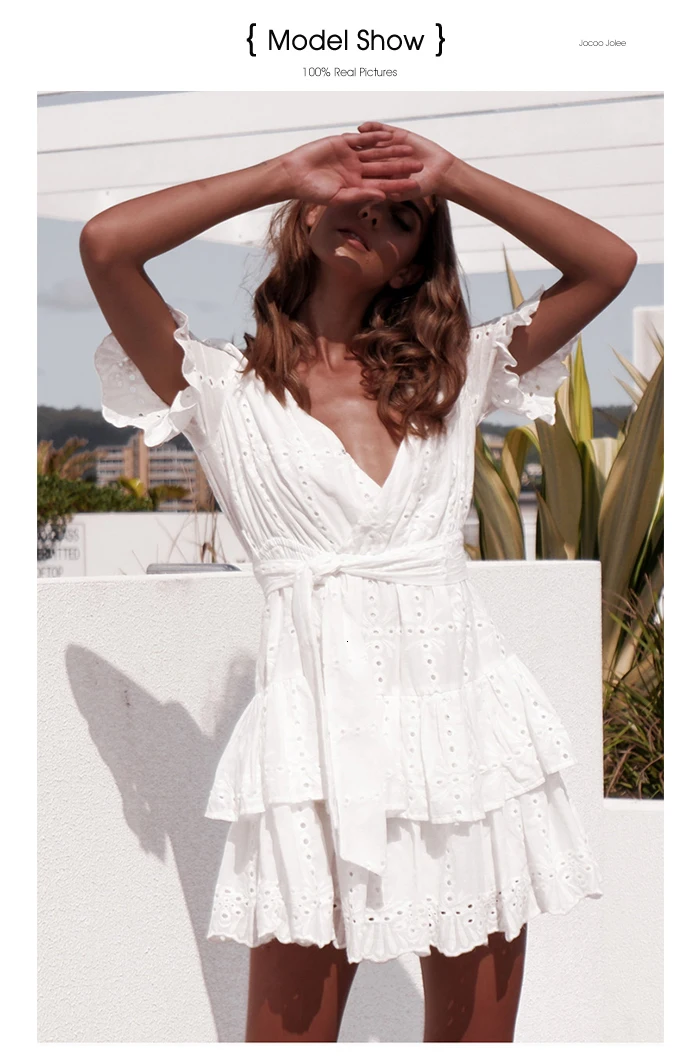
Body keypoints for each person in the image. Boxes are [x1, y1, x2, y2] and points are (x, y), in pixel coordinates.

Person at [81, 120, 636, 1043]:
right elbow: (106, 245)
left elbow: (607, 265)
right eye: (351, 198)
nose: (372, 216)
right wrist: (283, 171)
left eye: (403, 217)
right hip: (312, 748)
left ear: (415, 260)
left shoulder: (455, 374)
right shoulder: (218, 387)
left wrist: (454, 175)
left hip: (465, 742)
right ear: (306, 213)